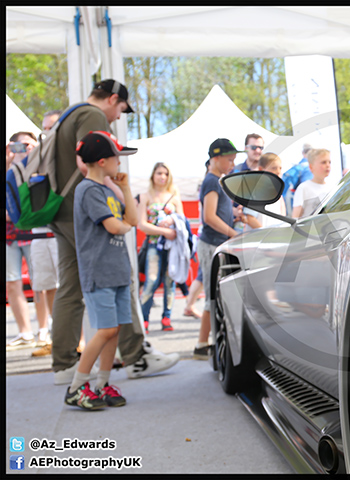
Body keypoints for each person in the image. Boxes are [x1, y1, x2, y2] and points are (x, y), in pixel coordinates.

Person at [49, 79, 179, 385]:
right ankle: (136, 356)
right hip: (90, 217)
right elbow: (88, 164)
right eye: (121, 108)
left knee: (69, 289)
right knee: (119, 278)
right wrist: (121, 200)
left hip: (64, 212)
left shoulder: (69, 113)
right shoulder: (92, 116)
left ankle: (64, 364)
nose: (118, 116)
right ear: (112, 99)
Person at [64, 130, 138, 410]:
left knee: (115, 329)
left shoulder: (108, 189)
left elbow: (133, 219)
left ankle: (102, 384)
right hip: (99, 272)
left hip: (117, 270)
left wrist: (127, 189)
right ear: (103, 161)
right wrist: (127, 225)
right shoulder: (88, 190)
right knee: (106, 329)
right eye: (116, 157)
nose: (120, 163)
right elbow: (116, 226)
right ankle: (76, 386)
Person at [194, 138, 241, 360]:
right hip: (212, 242)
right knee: (212, 295)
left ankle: (207, 342)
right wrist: (233, 233)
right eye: (229, 159)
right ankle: (202, 344)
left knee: (215, 294)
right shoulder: (212, 181)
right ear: (216, 158)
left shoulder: (217, 180)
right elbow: (209, 217)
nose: (232, 163)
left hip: (217, 242)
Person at [6, 132, 47, 349]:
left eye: (27, 144)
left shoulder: (40, 166)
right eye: (17, 145)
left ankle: (43, 330)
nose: (22, 149)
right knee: (12, 283)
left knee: (39, 282)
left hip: (33, 233)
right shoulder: (9, 170)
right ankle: (25, 332)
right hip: (9, 236)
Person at [30, 110, 63, 357]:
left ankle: (77, 338)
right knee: (47, 286)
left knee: (65, 287)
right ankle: (56, 335)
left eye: (50, 127)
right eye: (43, 127)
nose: (46, 132)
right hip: (37, 231)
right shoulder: (35, 156)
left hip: (60, 231)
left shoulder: (68, 154)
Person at [137, 162, 185, 333]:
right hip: (153, 245)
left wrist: (173, 222)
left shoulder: (175, 197)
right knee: (150, 281)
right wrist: (163, 231)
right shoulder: (145, 197)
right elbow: (141, 224)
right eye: (159, 173)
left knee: (169, 281)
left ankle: (167, 317)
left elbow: (183, 221)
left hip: (172, 247)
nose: (162, 177)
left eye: (165, 173)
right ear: (153, 176)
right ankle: (144, 318)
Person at [239, 152, 287, 229]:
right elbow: (250, 218)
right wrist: (266, 235)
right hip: (259, 238)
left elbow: (282, 217)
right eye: (274, 168)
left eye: (280, 168)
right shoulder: (255, 192)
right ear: (261, 169)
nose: (278, 172)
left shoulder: (279, 196)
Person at [292, 148, 333, 219]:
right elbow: (296, 217)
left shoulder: (331, 187)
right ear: (311, 167)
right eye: (323, 162)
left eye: (329, 162)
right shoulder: (303, 188)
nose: (328, 165)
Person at [281, 143, 313, 215]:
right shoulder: (308, 168)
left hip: (288, 201)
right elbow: (308, 190)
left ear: (303, 153)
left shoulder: (298, 166)